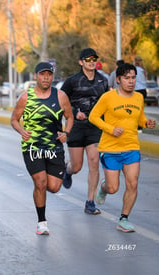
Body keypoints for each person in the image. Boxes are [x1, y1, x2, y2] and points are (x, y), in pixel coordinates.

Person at [89, 63, 156, 232]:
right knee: (113, 188)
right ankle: (104, 188)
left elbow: (140, 119)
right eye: (127, 78)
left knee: (132, 184)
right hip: (110, 149)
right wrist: (111, 129)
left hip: (131, 147)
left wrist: (147, 123)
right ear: (118, 80)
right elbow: (93, 117)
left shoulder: (138, 98)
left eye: (133, 78)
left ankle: (123, 219)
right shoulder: (108, 97)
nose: (131, 81)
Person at [11, 62, 73, 235]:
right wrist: (21, 131)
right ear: (36, 76)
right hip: (32, 147)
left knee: (53, 187)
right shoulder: (25, 97)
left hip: (54, 147)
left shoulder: (60, 96)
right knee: (40, 183)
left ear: (52, 77)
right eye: (42, 74)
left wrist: (66, 132)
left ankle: (64, 172)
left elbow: (70, 117)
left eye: (49, 74)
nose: (46, 78)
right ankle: (42, 222)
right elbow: (14, 119)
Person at [61, 48, 109, 215]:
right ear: (81, 62)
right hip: (76, 126)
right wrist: (75, 113)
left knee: (94, 161)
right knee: (77, 166)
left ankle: (90, 202)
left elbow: (107, 104)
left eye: (94, 58)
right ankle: (67, 170)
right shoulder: (72, 81)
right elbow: (61, 101)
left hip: (94, 126)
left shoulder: (103, 81)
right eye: (87, 59)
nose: (91, 61)